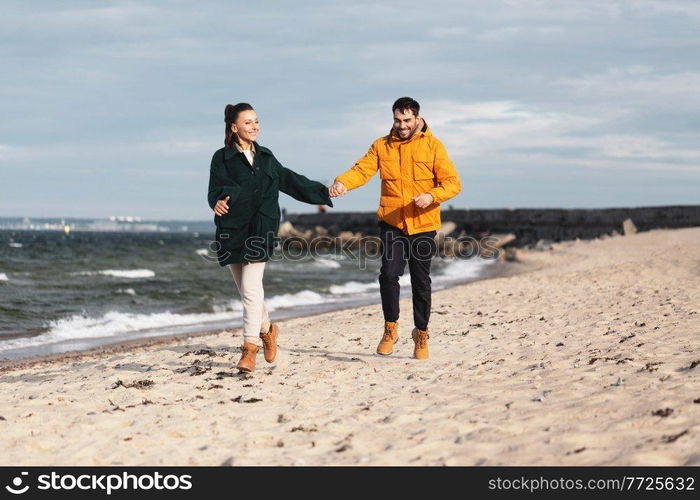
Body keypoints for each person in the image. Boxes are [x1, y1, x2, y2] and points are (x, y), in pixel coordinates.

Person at [329, 97, 461, 359]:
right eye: (397, 120)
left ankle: (421, 334)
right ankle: (391, 328)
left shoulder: (434, 146)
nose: (401, 125)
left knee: (421, 281)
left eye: (407, 121)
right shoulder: (382, 146)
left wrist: (431, 196)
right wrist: (343, 183)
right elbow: (362, 170)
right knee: (389, 275)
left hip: (423, 224)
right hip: (392, 222)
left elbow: (453, 183)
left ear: (418, 119)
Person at [208, 103, 333, 373]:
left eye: (256, 121)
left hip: (260, 230)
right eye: (248, 122)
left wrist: (324, 193)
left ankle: (248, 350)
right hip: (231, 230)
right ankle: (267, 331)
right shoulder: (221, 158)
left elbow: (290, 180)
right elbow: (214, 190)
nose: (255, 126)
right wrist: (216, 203)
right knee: (247, 292)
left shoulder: (266, 157)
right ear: (234, 127)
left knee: (251, 290)